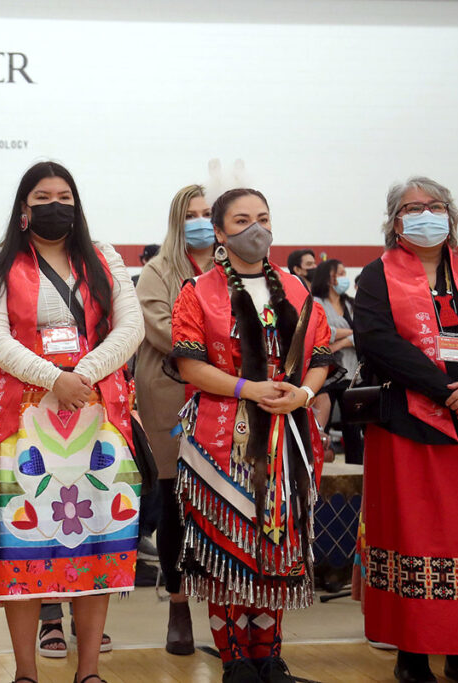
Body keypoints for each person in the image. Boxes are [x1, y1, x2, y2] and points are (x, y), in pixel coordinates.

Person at [0, 161, 145, 683]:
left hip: (96, 410)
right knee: (23, 545)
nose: (55, 203)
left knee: (97, 540)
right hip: (19, 419)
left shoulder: (103, 256)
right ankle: (26, 672)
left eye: (64, 194)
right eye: (43, 196)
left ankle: (88, 672)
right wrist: (52, 378)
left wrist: (81, 372)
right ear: (24, 208)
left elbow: (130, 326)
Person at [170, 188, 332, 683]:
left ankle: (268, 653)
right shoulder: (198, 291)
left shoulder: (296, 288)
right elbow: (189, 365)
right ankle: (234, 657)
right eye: (241, 220)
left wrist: (302, 395)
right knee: (227, 544)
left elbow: (321, 356)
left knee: (276, 543)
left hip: (288, 432)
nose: (255, 228)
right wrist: (249, 387)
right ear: (218, 232)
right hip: (222, 435)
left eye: (263, 218)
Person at [354, 177, 458, 683]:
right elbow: (376, 342)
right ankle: (412, 656)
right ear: (395, 221)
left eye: (435, 206)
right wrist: (445, 390)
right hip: (406, 424)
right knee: (413, 539)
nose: (426, 214)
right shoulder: (376, 276)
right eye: (413, 208)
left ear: (451, 216)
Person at [134, 184, 216, 656]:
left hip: (229, 397)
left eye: (208, 213)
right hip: (170, 394)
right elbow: (162, 329)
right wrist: (221, 350)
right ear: (176, 220)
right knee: (176, 503)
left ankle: (231, 607)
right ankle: (179, 605)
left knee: (226, 503)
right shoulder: (158, 271)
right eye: (193, 214)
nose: (202, 220)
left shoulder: (233, 266)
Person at [308, 258, 363, 464]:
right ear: (328, 277)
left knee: (353, 428)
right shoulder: (316, 302)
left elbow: (363, 332)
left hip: (352, 373)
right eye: (339, 274)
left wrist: (340, 343)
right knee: (323, 423)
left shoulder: (350, 303)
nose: (343, 278)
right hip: (326, 372)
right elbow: (322, 331)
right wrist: (352, 333)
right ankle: (317, 466)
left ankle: (356, 470)